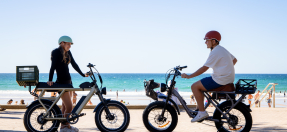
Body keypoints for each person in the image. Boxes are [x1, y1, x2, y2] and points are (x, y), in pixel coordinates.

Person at [181, 30, 237, 122]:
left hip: (220, 79)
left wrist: (189, 76)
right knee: (200, 85)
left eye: (207, 40)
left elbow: (204, 68)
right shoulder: (222, 49)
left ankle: (202, 112)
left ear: (214, 41)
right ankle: (199, 110)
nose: (205, 42)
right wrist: (225, 68)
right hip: (226, 78)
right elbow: (234, 60)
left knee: (194, 86)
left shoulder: (215, 51)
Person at [47, 36, 88, 131]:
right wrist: (50, 79)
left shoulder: (68, 52)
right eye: (68, 44)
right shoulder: (56, 52)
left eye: (70, 44)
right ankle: (64, 127)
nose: (69, 46)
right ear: (62, 43)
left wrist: (83, 74)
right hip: (62, 84)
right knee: (70, 107)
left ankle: (66, 126)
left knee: (65, 106)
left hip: (68, 82)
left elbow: (74, 64)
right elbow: (52, 67)